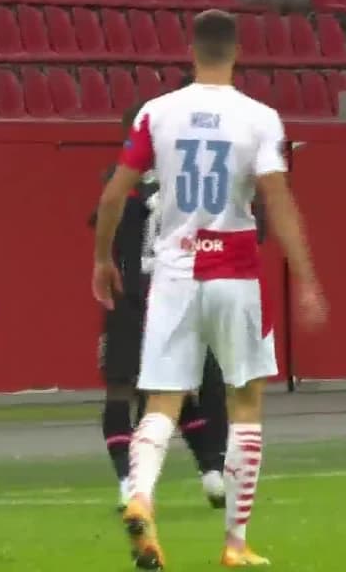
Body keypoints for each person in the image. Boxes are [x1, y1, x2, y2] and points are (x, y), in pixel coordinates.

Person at [91, 9, 326, 569]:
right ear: (236, 53)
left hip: (173, 274)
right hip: (235, 273)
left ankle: (140, 495)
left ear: (192, 52)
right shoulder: (259, 117)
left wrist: (101, 259)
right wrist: (307, 277)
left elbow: (113, 195)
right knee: (245, 402)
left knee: (161, 401)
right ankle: (235, 543)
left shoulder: (156, 112)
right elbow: (277, 199)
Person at [91, 104, 228, 512]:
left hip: (131, 298)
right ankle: (211, 473)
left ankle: (127, 482)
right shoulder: (190, 182)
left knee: (120, 391)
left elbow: (103, 219)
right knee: (174, 391)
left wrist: (103, 258)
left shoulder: (121, 182)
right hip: (175, 297)